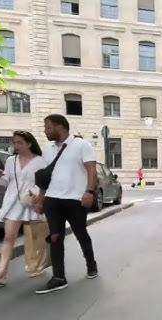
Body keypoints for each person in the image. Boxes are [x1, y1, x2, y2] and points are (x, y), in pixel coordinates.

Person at [33, 114, 98, 294]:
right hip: (52, 200)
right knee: (55, 237)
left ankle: (91, 264)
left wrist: (89, 191)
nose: (45, 131)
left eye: (48, 127)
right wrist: (40, 197)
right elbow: (45, 175)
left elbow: (91, 169)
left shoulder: (81, 145)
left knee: (80, 233)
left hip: (75, 199)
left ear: (59, 127)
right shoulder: (48, 148)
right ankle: (59, 277)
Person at [0, 131, 49, 286]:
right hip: (13, 203)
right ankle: (2, 273)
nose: (16, 146)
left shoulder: (40, 161)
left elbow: (45, 183)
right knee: (8, 237)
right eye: (14, 142)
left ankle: (37, 265)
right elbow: (6, 182)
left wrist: (38, 197)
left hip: (31, 203)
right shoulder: (11, 160)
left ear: (29, 144)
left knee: (35, 238)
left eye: (19, 142)